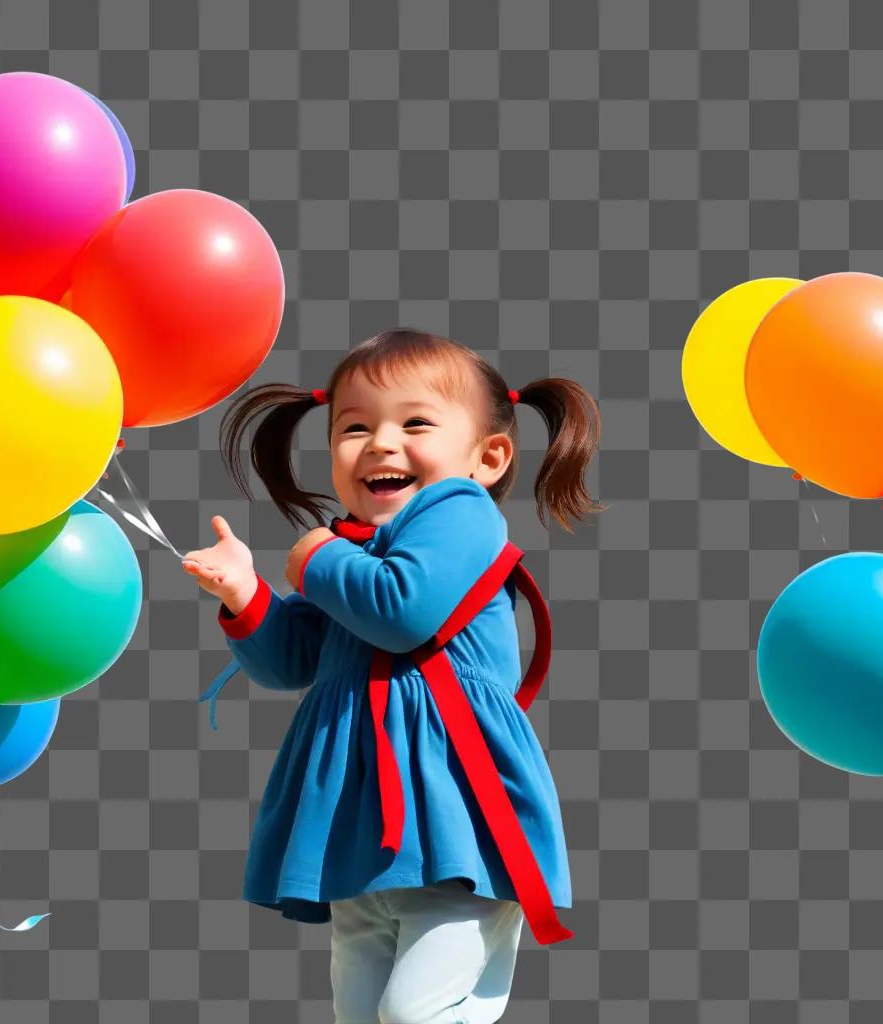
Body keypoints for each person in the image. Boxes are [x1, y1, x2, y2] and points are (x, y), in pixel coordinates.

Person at [182, 328, 601, 1023]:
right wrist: (247, 595)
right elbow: (293, 662)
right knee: (365, 1010)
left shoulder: (460, 516)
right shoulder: (355, 554)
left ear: (488, 457)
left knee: (416, 1013)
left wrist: (314, 559)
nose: (379, 443)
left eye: (414, 423)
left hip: (458, 815)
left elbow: (404, 611)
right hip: (365, 832)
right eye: (354, 428)